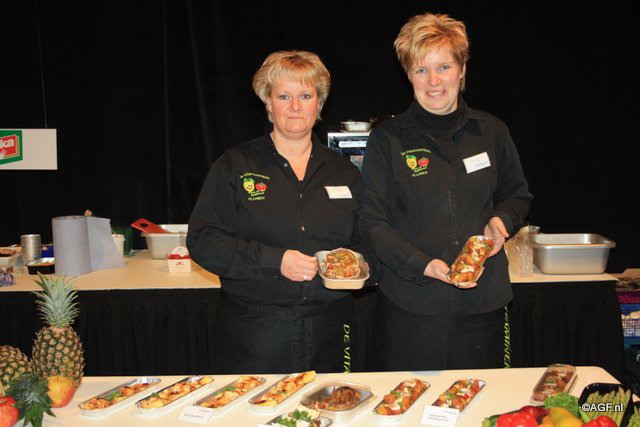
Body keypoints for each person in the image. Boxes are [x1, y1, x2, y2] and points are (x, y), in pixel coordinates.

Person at [360, 13, 533, 371]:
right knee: (411, 399)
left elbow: (517, 195)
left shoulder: (492, 131)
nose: (434, 81)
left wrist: (500, 221)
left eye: (444, 67)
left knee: (479, 397)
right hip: (412, 305)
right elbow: (373, 222)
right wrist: (423, 264)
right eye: (421, 70)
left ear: (462, 70)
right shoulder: (387, 139)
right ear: (408, 75)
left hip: (482, 303)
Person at [187, 50, 378, 374]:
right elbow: (203, 241)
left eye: (305, 96)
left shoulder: (345, 173)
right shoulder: (235, 166)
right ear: (268, 103)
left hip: (330, 331)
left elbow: (369, 244)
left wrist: (358, 269)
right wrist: (274, 260)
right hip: (254, 332)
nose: (295, 107)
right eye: (284, 96)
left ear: (319, 103)